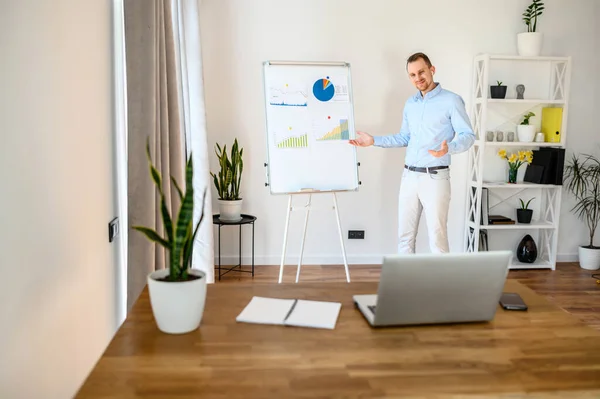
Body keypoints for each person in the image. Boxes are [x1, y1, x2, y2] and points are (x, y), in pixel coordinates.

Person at [349, 52, 475, 254]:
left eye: (421, 72)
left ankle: (442, 285)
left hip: (435, 176)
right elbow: (404, 138)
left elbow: (468, 135)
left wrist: (448, 147)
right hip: (409, 176)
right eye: (412, 75)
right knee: (404, 237)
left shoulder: (452, 101)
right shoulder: (410, 104)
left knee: (437, 238)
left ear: (432, 70)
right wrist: (374, 141)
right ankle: (406, 284)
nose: (418, 78)